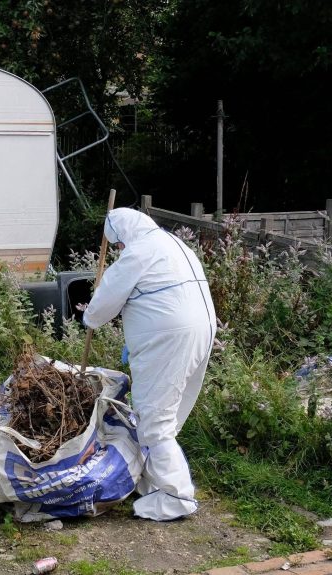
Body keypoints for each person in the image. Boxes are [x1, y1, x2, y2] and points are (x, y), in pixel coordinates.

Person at [82, 208, 216, 521]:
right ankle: (155, 480)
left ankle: (176, 497)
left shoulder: (138, 253)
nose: (118, 250)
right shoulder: (174, 244)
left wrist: (89, 316)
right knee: (170, 414)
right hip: (202, 330)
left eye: (117, 245)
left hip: (170, 339)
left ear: (124, 236)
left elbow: (100, 309)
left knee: (154, 420)